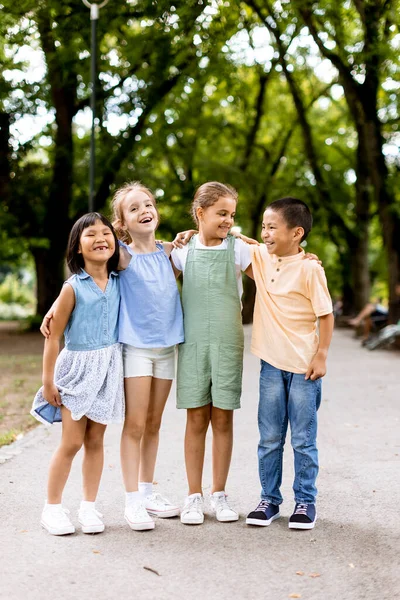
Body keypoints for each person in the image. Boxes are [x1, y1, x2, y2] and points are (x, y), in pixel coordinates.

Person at [41, 182, 185, 532]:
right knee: (86, 437)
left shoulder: (170, 254)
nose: (144, 210)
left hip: (143, 356)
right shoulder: (119, 257)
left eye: (148, 204)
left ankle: (116, 500)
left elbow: (210, 246)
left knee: (130, 430)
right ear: (122, 224)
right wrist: (48, 374)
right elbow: (69, 305)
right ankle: (69, 505)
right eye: (133, 208)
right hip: (110, 358)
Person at [31, 212, 124, 536]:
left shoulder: (119, 280)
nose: (100, 239)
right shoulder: (72, 288)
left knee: (96, 440)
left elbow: (133, 248)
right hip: (77, 371)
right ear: (77, 247)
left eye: (106, 233)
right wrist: (48, 381)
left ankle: (88, 506)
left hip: (108, 369)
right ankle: (52, 507)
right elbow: (53, 336)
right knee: (71, 442)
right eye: (91, 235)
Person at [244, 197, 334, 530]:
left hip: (304, 368)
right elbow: (230, 236)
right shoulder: (260, 258)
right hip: (271, 366)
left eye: (272, 227)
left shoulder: (310, 268)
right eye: (263, 227)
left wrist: (321, 354)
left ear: (296, 233)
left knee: (302, 440)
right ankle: (269, 499)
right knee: (269, 438)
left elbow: (326, 314)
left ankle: (305, 502)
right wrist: (181, 238)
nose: (265, 233)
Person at [170, 182, 253, 525]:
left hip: (227, 342)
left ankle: (219, 493)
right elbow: (146, 277)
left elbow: (276, 270)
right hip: (192, 344)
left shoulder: (240, 250)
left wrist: (302, 255)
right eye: (221, 213)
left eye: (232, 215)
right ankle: (193, 495)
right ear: (200, 213)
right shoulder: (181, 252)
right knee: (195, 418)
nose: (228, 221)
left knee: (223, 418)